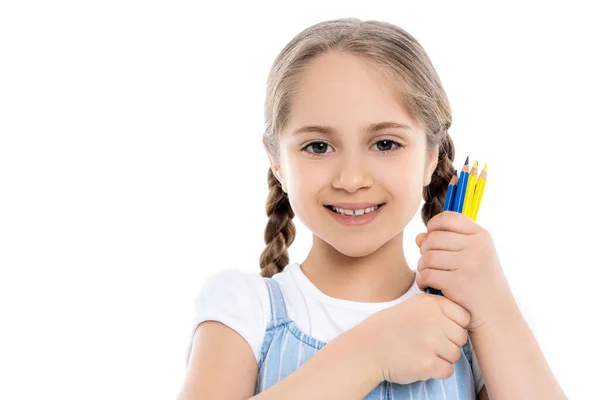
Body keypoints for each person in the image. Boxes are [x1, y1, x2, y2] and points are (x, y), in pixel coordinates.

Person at [177, 18, 566, 400]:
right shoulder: (242, 308)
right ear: (276, 160)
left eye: (384, 144)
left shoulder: (480, 321)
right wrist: (367, 354)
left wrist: (494, 307)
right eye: (318, 146)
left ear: (431, 155)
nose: (351, 179)